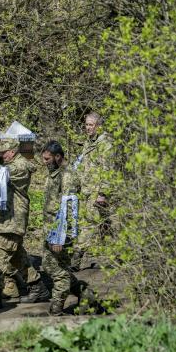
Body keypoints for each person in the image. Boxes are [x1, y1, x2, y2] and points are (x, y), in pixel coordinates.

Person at [0, 139, 38, 309]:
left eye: (3, 152)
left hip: (12, 220)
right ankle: (37, 287)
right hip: (7, 220)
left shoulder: (19, 167)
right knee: (19, 258)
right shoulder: (10, 164)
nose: (1, 155)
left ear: (12, 151)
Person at [40, 141, 95, 315]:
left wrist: (59, 238)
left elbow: (69, 210)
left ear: (58, 157)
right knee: (49, 265)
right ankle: (85, 293)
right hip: (51, 230)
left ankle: (56, 307)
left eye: (48, 159)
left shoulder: (68, 176)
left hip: (60, 233)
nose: (45, 162)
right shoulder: (54, 174)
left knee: (58, 270)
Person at [73, 112, 114, 269]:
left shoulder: (105, 144)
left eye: (91, 125)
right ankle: (115, 255)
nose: (88, 128)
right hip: (86, 190)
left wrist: (102, 193)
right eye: (86, 124)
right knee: (104, 225)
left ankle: (76, 257)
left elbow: (108, 169)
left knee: (89, 224)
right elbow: (83, 165)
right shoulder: (88, 143)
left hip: (97, 192)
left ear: (99, 125)